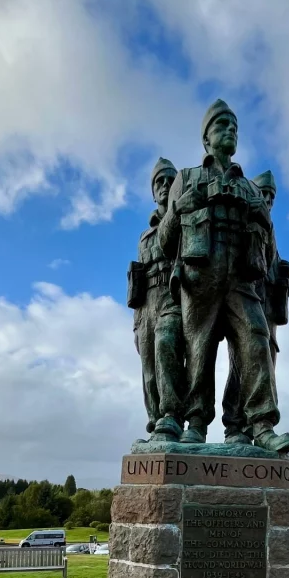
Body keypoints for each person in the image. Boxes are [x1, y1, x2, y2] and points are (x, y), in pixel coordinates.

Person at [158, 99, 289, 454]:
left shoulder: (250, 187)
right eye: (222, 126)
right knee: (199, 348)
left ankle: (261, 424)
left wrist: (260, 215)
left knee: (256, 338)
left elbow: (268, 243)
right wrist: (179, 209)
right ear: (206, 139)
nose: (230, 132)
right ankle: (195, 423)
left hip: (240, 276)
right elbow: (164, 241)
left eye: (234, 127)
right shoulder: (187, 177)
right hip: (199, 273)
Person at [221, 169, 289, 444]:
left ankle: (255, 426)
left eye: (271, 196)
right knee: (241, 363)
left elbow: (271, 264)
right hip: (242, 298)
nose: (267, 200)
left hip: (268, 311)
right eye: (263, 194)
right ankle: (236, 425)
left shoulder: (268, 229)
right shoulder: (246, 223)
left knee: (261, 362)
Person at [127, 157, 185, 441]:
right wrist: (136, 325)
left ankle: (173, 416)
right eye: (159, 182)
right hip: (146, 306)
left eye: (169, 181)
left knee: (166, 348)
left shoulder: (184, 222)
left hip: (173, 299)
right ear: (153, 191)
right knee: (149, 371)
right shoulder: (144, 236)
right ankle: (156, 425)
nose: (164, 185)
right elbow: (137, 279)